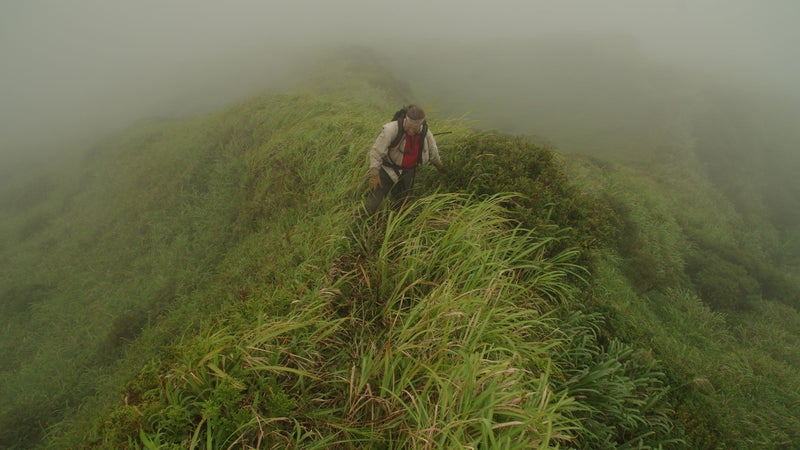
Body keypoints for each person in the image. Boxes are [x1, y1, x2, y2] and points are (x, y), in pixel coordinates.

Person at [365, 104, 445, 216]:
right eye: (409, 126)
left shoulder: (425, 133)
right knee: (374, 203)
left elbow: (433, 152)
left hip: (407, 173)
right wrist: (374, 173)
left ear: (421, 124)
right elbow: (376, 152)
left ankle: (391, 224)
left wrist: (439, 166)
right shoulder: (391, 129)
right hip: (386, 171)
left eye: (415, 128)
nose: (411, 130)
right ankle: (363, 222)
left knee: (401, 205)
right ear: (405, 119)